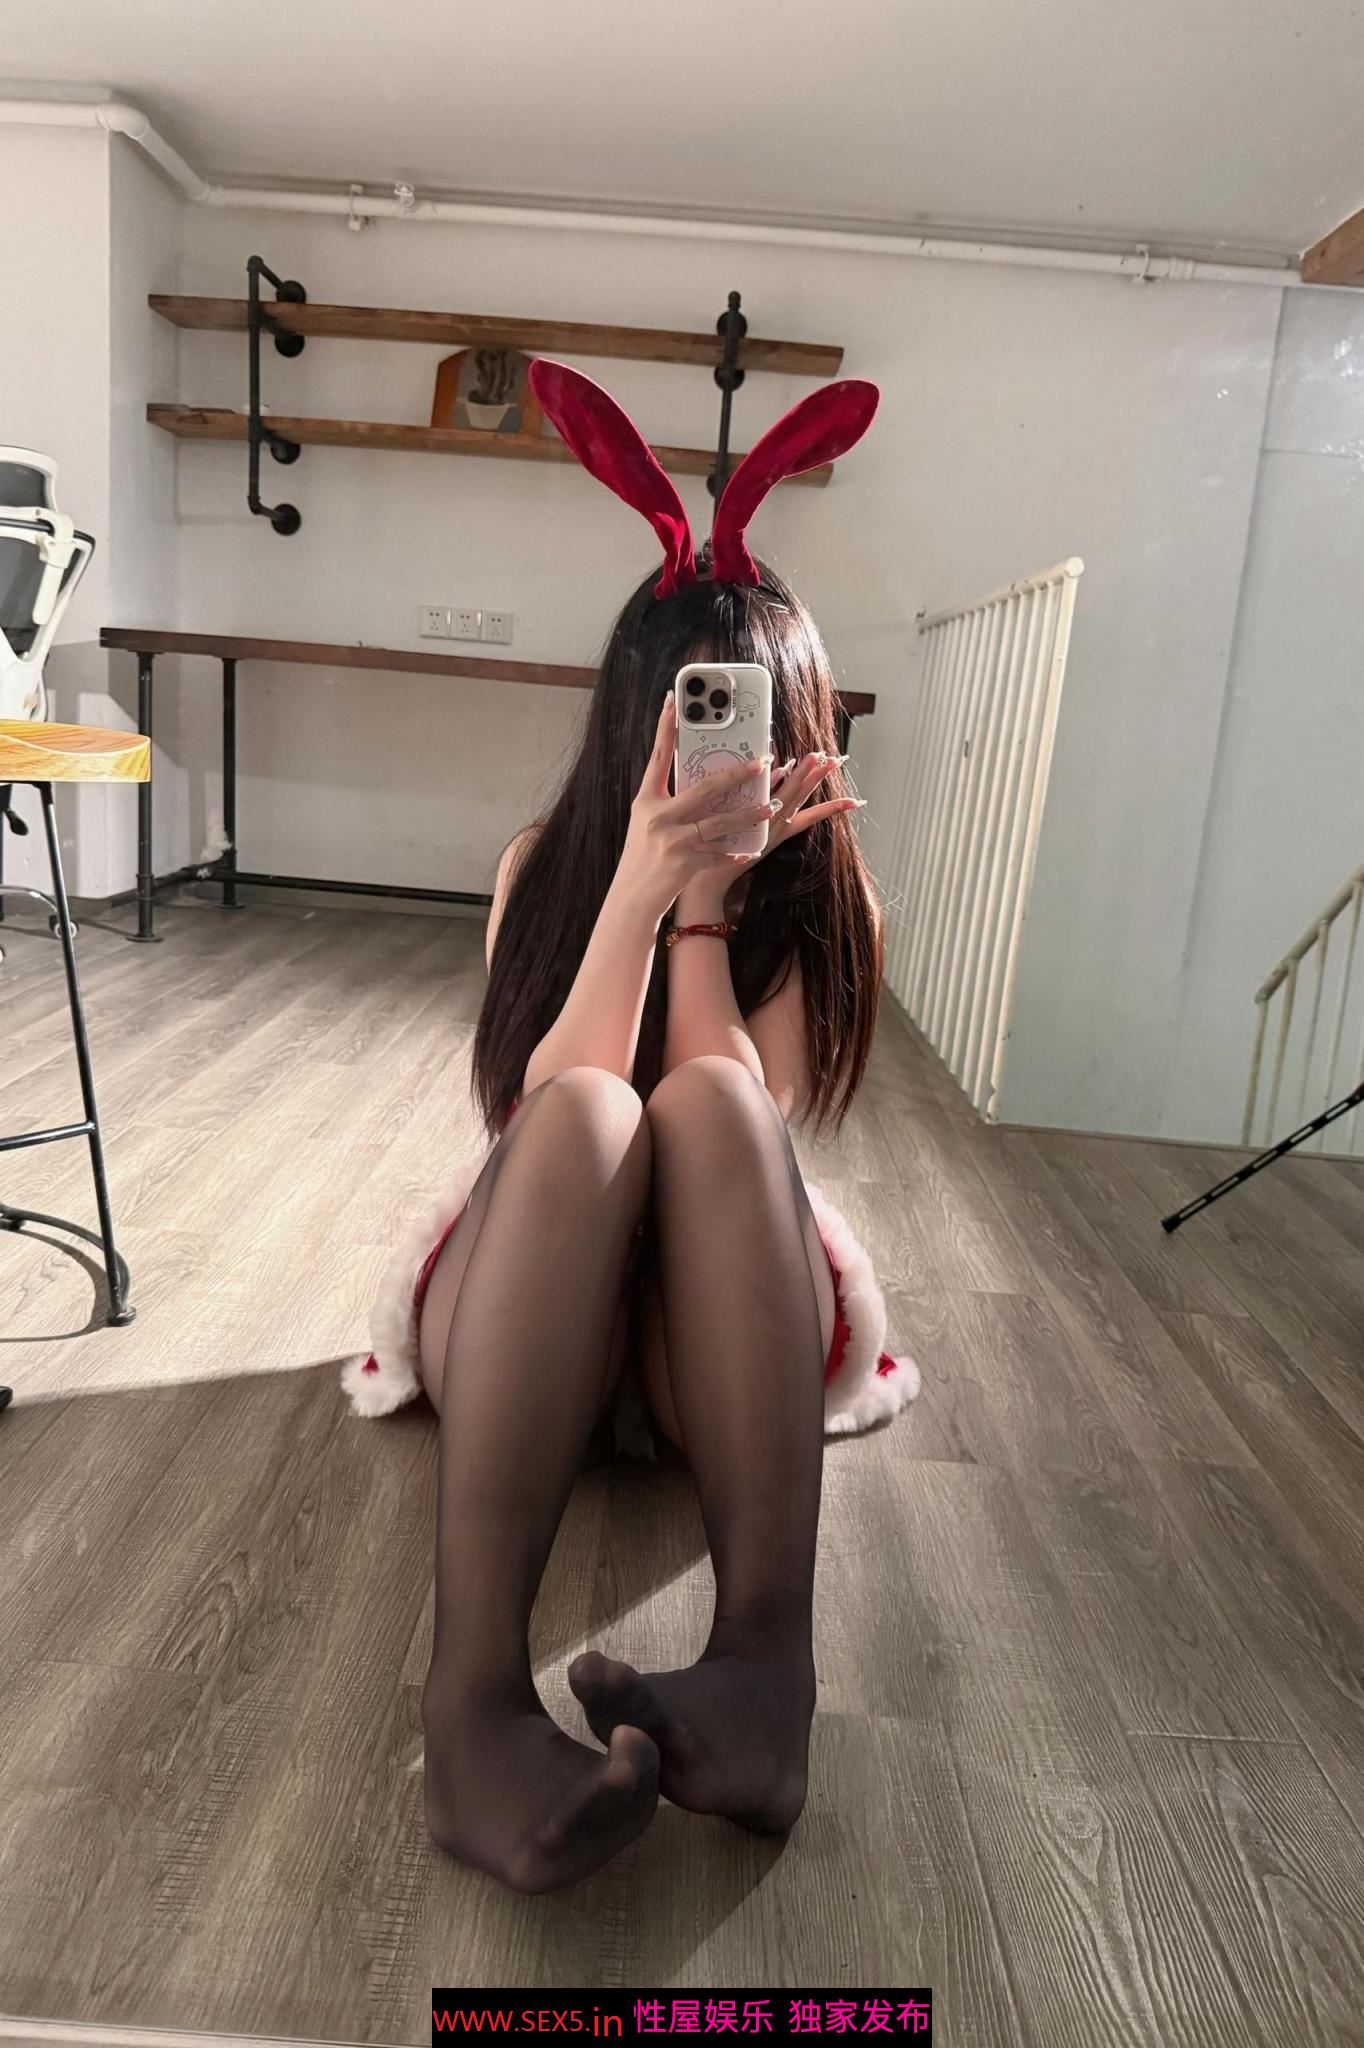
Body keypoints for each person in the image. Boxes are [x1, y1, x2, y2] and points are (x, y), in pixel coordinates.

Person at [343, 365, 917, 1893]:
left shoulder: (822, 898)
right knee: (595, 1104)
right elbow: (543, 1106)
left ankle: (765, 1673)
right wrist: (638, 894)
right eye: (697, 719)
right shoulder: (544, 867)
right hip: (538, 1305)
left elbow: (753, 1121)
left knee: (708, 1100)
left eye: (753, 719)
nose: (727, 750)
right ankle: (472, 1708)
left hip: (708, 1334)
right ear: (631, 728)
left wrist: (711, 914)